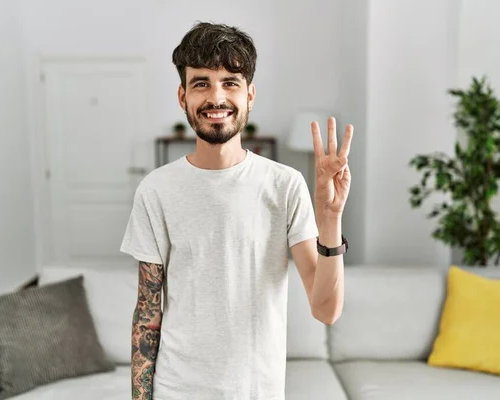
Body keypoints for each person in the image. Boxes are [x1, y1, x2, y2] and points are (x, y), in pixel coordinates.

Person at [120, 21, 353, 400]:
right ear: (183, 97)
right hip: (176, 391)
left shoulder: (284, 185)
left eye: (230, 81)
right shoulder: (156, 190)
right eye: (201, 83)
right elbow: (148, 315)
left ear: (250, 94)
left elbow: (326, 310)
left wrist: (330, 219)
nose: (216, 97)